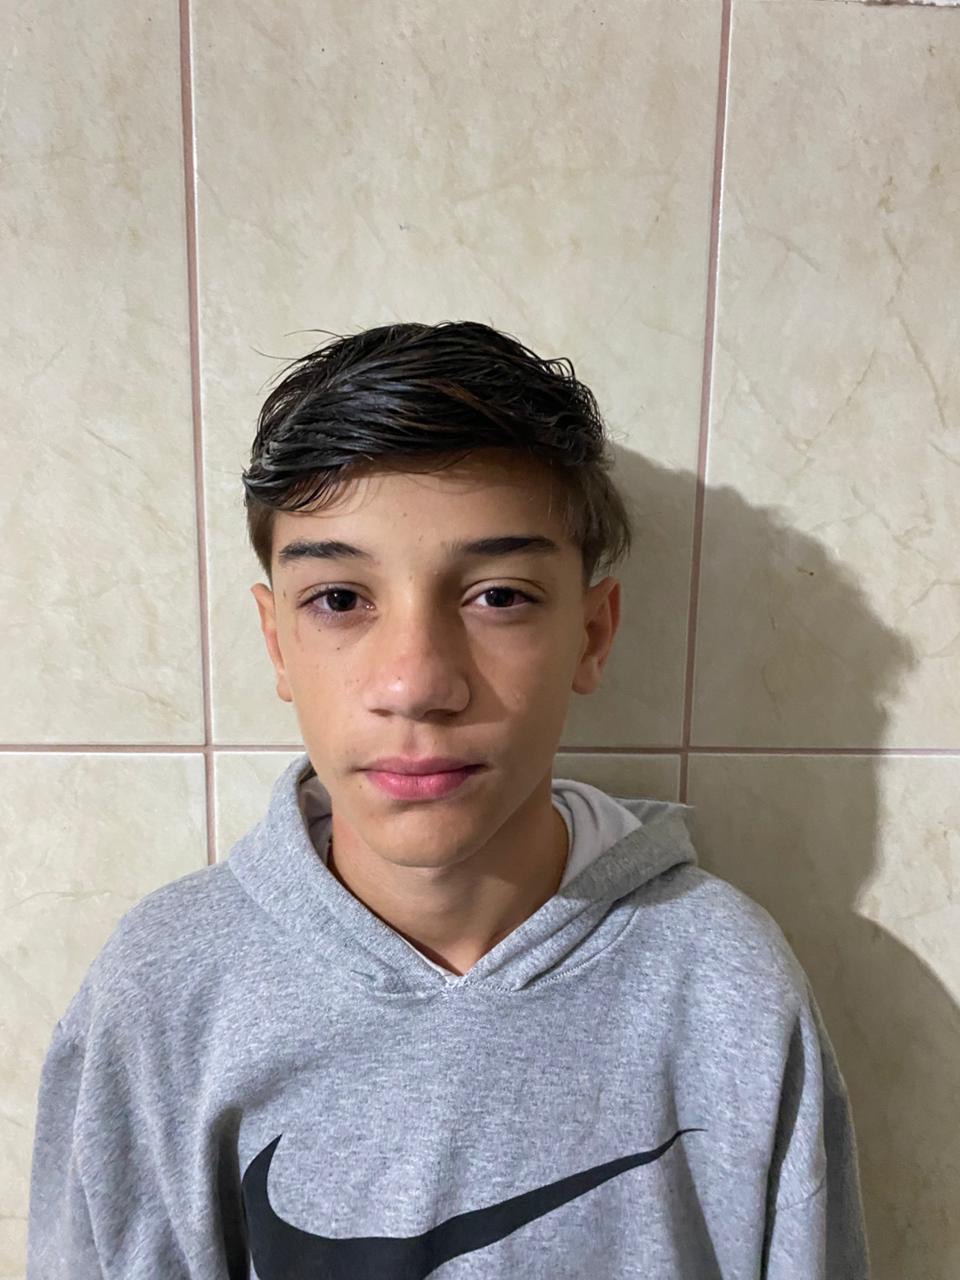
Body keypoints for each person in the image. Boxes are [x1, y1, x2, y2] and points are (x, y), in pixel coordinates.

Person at [26, 320, 870, 1278]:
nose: (416, 682)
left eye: (498, 596)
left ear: (592, 634)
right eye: (340, 599)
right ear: (275, 642)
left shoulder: (724, 985)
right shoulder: (164, 993)